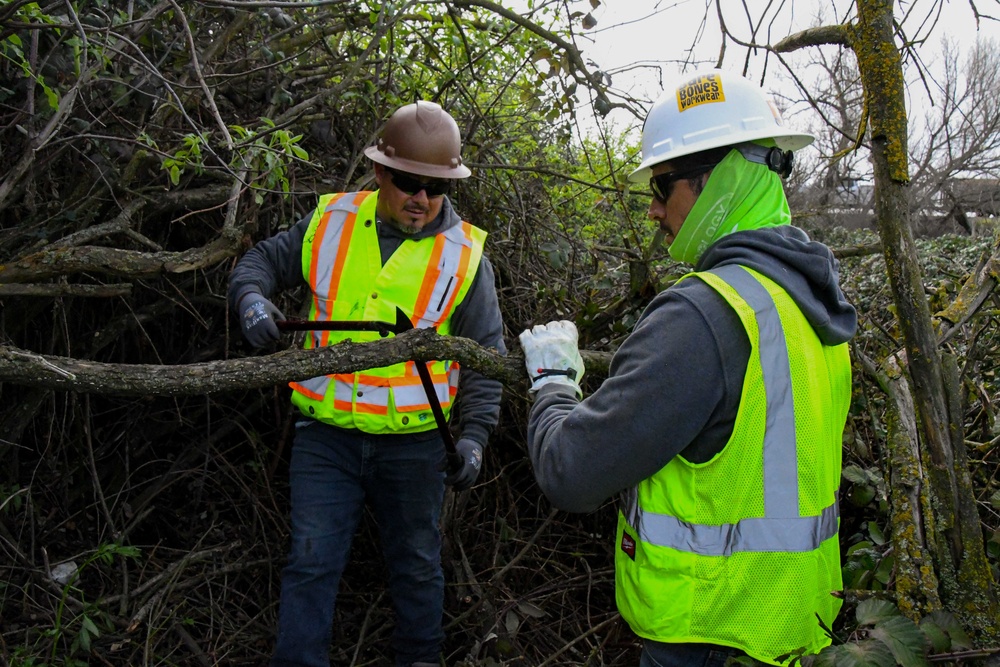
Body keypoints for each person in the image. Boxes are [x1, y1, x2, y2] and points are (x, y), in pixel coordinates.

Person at [518, 69, 857, 666]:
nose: (652, 210)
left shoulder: (705, 314)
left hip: (709, 633)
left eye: (663, 185)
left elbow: (571, 472)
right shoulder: (812, 305)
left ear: (718, 180)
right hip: (793, 625)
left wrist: (551, 383)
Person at [228, 100, 506, 667]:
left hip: (417, 446)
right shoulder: (329, 222)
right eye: (408, 182)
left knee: (417, 565)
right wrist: (252, 302)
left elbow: (485, 360)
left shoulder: (467, 257)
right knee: (310, 562)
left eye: (435, 187)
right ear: (379, 172)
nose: (421, 200)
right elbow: (258, 264)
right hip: (324, 439)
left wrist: (474, 439)